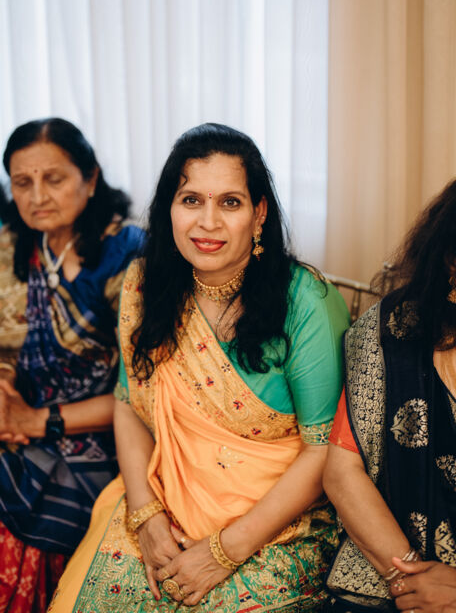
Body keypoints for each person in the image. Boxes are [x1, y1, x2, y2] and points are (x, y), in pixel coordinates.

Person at [49, 122, 350, 613]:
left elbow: (325, 451)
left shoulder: (307, 303)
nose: (207, 222)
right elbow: (128, 405)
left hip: (276, 526)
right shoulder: (143, 285)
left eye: (230, 202)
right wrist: (146, 516)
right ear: (169, 209)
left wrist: (224, 551)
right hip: (161, 499)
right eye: (191, 200)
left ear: (258, 214)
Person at [0, 118, 144, 612]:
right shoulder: (14, 245)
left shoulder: (128, 256)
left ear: (91, 177)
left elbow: (142, 393)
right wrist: (5, 398)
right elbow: (7, 348)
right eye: (23, 182)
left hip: (107, 440)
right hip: (22, 418)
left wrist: (36, 421)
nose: (37, 196)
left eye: (54, 178)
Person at [324, 171, 456, 612]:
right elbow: (343, 472)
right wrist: (411, 582)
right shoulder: (394, 334)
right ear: (452, 261)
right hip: (392, 570)